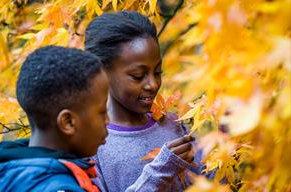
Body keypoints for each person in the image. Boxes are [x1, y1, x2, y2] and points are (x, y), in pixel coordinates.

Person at [85, 11, 211, 192]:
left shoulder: (173, 124)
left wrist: (226, 135)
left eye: (158, 72)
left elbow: (212, 183)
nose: (153, 84)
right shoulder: (91, 146)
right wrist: (159, 172)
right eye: (138, 76)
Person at [0, 46, 109, 192]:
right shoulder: (59, 188)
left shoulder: (2, 173)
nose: (108, 120)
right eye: (102, 112)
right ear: (68, 122)